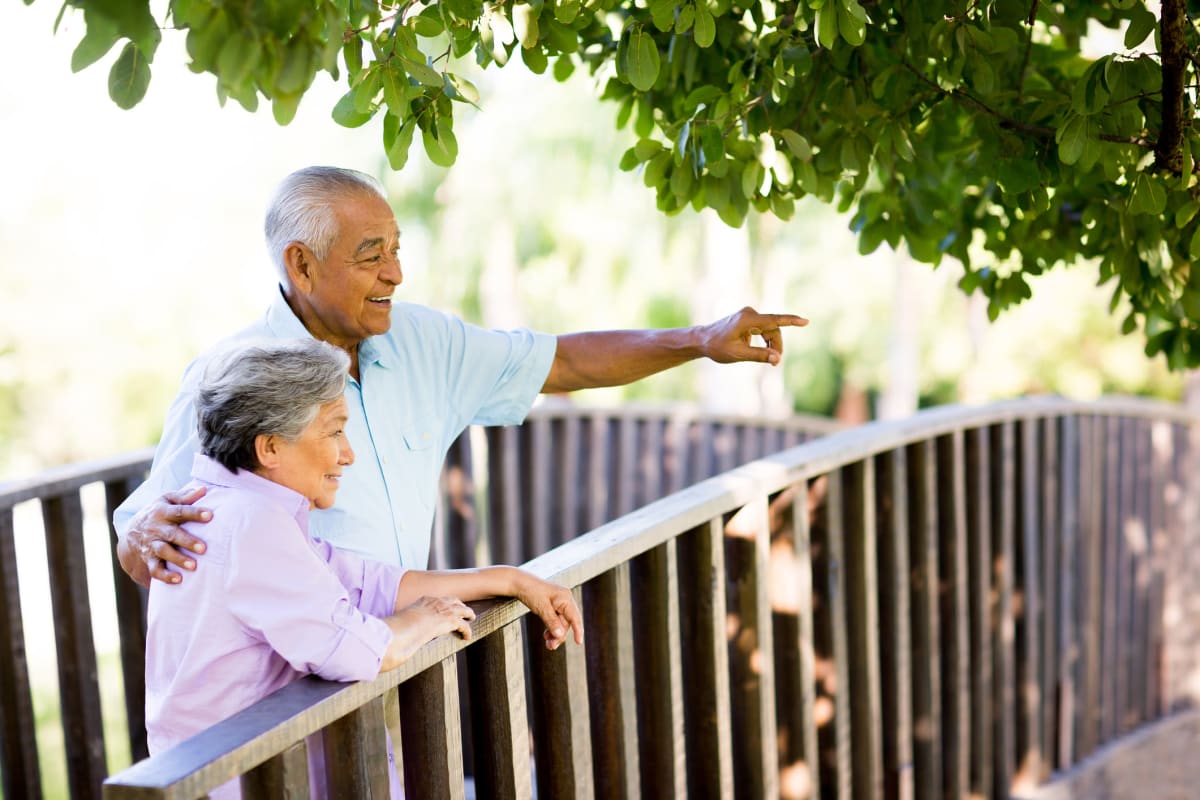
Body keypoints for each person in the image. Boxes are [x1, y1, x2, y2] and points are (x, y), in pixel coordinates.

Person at [114, 165, 809, 583]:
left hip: (396, 665)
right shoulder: (231, 376)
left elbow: (562, 360)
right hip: (281, 697)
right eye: (370, 255)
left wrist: (699, 340)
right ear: (300, 264)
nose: (395, 272)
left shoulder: (423, 341)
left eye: (395, 248)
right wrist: (138, 535)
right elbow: (146, 525)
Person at [146, 338, 583, 798]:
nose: (347, 453)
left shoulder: (224, 504)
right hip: (240, 782)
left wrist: (508, 579)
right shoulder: (253, 522)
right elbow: (353, 648)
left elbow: (366, 581)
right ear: (270, 447)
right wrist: (424, 619)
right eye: (334, 431)